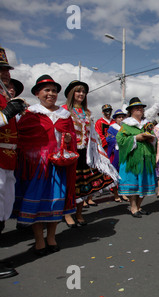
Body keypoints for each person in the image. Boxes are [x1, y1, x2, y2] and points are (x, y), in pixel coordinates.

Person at [14, 75, 77, 256]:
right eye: (46, 90)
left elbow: (71, 137)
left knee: (55, 202)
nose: (51, 94)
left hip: (58, 165)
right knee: (38, 203)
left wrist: (68, 139)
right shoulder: (30, 114)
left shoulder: (65, 115)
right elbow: (21, 138)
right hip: (37, 167)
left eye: (54, 91)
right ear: (37, 93)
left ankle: (51, 236)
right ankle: (39, 239)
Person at [62, 80, 118, 227]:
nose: (81, 94)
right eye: (78, 91)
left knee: (84, 184)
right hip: (70, 152)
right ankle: (68, 213)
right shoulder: (63, 111)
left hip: (85, 152)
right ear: (71, 93)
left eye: (83, 92)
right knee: (70, 184)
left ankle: (79, 214)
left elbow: (92, 134)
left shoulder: (86, 113)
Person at [0, 47, 27, 278]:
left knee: (3, 210)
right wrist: (6, 112)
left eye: (7, 69)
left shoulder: (6, 95)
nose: (6, 73)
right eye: (1, 70)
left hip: (8, 158)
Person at [116, 97, 156, 217]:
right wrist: (136, 138)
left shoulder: (147, 124)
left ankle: (138, 206)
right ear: (131, 110)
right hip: (132, 159)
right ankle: (133, 207)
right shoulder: (126, 125)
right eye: (136, 108)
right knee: (133, 182)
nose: (140, 109)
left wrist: (151, 139)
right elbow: (120, 140)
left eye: (141, 108)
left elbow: (154, 138)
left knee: (144, 182)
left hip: (146, 158)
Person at [106, 109, 127, 202]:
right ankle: (116, 194)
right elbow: (109, 139)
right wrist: (119, 140)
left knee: (124, 173)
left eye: (122, 117)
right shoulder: (112, 128)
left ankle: (123, 193)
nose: (121, 119)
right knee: (115, 173)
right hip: (116, 152)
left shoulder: (126, 128)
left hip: (125, 152)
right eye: (119, 117)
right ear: (115, 119)